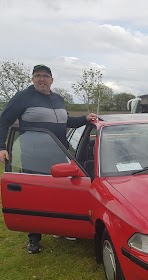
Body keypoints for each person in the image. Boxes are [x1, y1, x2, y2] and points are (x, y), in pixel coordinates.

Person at [0, 64, 97, 254]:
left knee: (61, 193)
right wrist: (1, 147)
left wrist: (85, 119)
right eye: (38, 76)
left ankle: (60, 227)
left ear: (52, 80)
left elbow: (66, 121)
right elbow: (3, 121)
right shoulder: (23, 97)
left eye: (45, 76)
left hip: (59, 154)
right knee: (35, 196)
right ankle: (34, 238)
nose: (41, 79)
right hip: (34, 156)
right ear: (33, 78)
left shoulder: (58, 99)